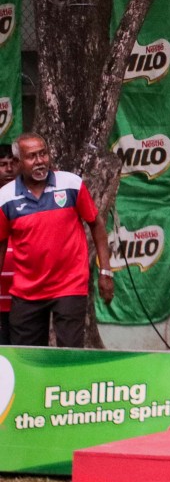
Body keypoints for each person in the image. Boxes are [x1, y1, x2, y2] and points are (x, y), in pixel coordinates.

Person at [0, 132, 112, 348]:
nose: (40, 161)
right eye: (32, 156)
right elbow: (1, 243)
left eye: (43, 154)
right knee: (27, 357)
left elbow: (96, 224)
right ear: (18, 162)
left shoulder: (71, 184)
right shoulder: (5, 197)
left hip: (69, 284)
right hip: (26, 290)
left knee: (69, 353)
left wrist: (105, 271)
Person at [0, 145, 17, 344]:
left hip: (23, 304)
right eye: (3, 164)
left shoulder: (28, 199)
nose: (9, 169)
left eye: (13, 163)